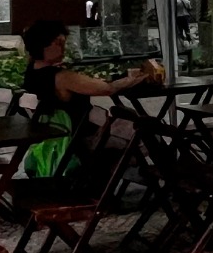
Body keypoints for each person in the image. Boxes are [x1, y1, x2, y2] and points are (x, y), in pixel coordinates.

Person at [20, 19, 149, 176]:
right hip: (84, 139)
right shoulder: (61, 77)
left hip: (59, 137)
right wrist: (132, 80)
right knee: (148, 133)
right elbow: (107, 89)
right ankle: (157, 175)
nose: (63, 48)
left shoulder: (31, 74)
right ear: (43, 45)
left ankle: (121, 174)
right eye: (59, 43)